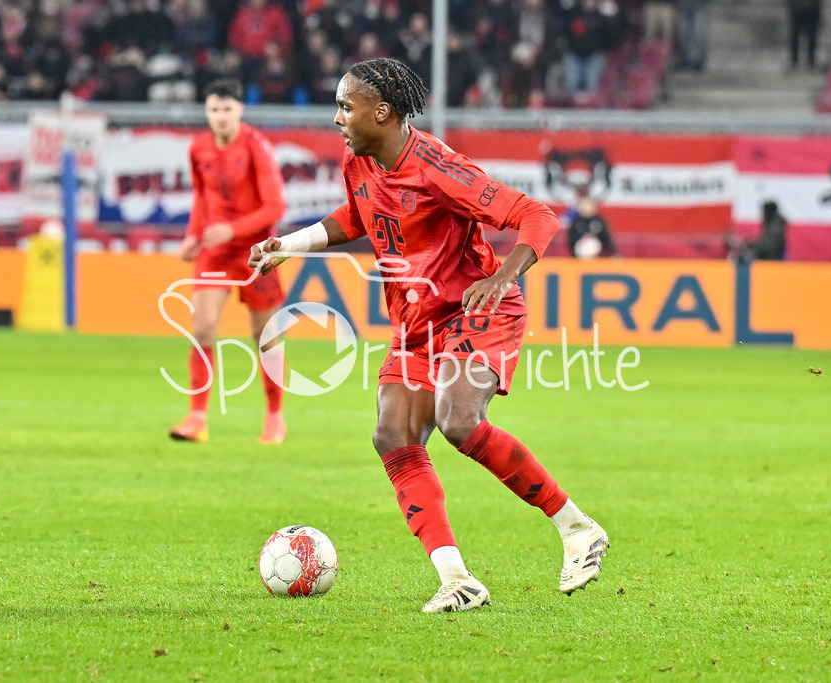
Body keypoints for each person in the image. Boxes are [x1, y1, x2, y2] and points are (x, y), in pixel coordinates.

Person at [249, 58, 609, 613]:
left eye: (346, 106)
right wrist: (289, 245)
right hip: (416, 321)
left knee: (459, 419)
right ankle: (458, 581)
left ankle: (577, 528)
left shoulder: (438, 168)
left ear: (382, 111)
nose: (337, 118)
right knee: (393, 434)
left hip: (477, 308)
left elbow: (536, 215)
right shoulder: (359, 160)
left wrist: (503, 275)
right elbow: (359, 216)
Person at [170, 78, 288, 445]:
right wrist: (193, 233)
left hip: (256, 251)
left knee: (265, 336)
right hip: (216, 250)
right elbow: (201, 197)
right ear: (207, 112)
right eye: (214, 109)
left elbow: (275, 207)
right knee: (203, 327)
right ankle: (197, 418)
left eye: (227, 109)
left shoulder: (256, 147)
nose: (220, 116)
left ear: (240, 110)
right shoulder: (198, 149)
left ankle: (274, 418)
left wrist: (232, 229)